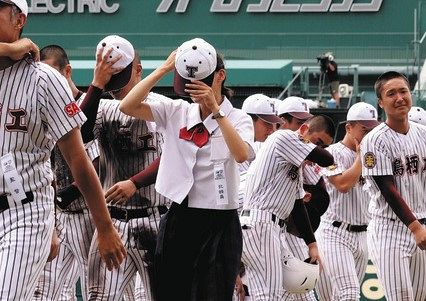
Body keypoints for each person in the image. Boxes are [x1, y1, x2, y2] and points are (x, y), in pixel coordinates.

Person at [0, 1, 125, 300]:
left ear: (20, 20)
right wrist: (9, 49)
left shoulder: (44, 79)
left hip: (24, 213)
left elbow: (77, 159)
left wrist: (104, 226)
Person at [119, 37, 255, 301]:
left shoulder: (238, 118)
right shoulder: (177, 111)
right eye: (190, 84)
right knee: (171, 293)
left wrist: (216, 111)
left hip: (220, 221)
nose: (196, 90)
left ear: (220, 77)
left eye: (202, 82)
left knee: (213, 294)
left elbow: (240, 154)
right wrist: (164, 68)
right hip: (180, 218)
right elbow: (128, 105)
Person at [78, 35, 168, 301]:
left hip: (155, 216)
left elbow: (174, 157)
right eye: (111, 77)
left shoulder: (163, 106)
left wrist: (135, 182)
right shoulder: (103, 107)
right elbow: (80, 134)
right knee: (99, 297)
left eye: (121, 76)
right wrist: (96, 84)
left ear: (138, 70)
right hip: (112, 222)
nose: (115, 86)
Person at [240, 114, 335, 300]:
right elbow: (327, 159)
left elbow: (298, 205)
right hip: (260, 224)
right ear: (305, 130)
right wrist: (318, 149)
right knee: (268, 295)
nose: (319, 148)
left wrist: (312, 244)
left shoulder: (294, 165)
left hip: (270, 227)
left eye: (324, 145)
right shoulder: (284, 137)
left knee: (289, 291)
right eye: (318, 142)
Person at [32, 44, 100, 301]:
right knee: (46, 291)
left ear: (67, 70)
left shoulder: (89, 106)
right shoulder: (41, 107)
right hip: (58, 215)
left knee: (100, 291)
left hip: (89, 213)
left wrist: (66, 194)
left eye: (53, 73)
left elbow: (96, 161)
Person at [360, 71, 426, 300]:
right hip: (391, 228)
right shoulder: (374, 140)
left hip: (422, 223)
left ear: (411, 94)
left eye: (403, 91)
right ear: (380, 102)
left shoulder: (423, 134)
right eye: (391, 93)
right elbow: (387, 188)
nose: (399, 98)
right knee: (401, 297)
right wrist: (415, 227)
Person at [315, 102, 379, 300]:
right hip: (335, 232)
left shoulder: (375, 157)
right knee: (349, 293)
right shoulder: (331, 153)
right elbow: (342, 184)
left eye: (373, 130)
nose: (369, 135)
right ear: (349, 128)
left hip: (363, 235)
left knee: (336, 297)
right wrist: (362, 157)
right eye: (364, 129)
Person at [277, 96, 331, 301]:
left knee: (301, 290)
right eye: (299, 123)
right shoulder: (263, 148)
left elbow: (319, 198)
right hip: (260, 225)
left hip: (289, 228)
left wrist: (311, 243)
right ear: (283, 121)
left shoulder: (304, 154)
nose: (302, 130)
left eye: (305, 123)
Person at [236, 93, 283, 300]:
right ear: (249, 120)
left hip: (247, 230)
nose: (272, 130)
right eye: (267, 124)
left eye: (275, 124)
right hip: (233, 228)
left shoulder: (267, 149)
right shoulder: (234, 146)